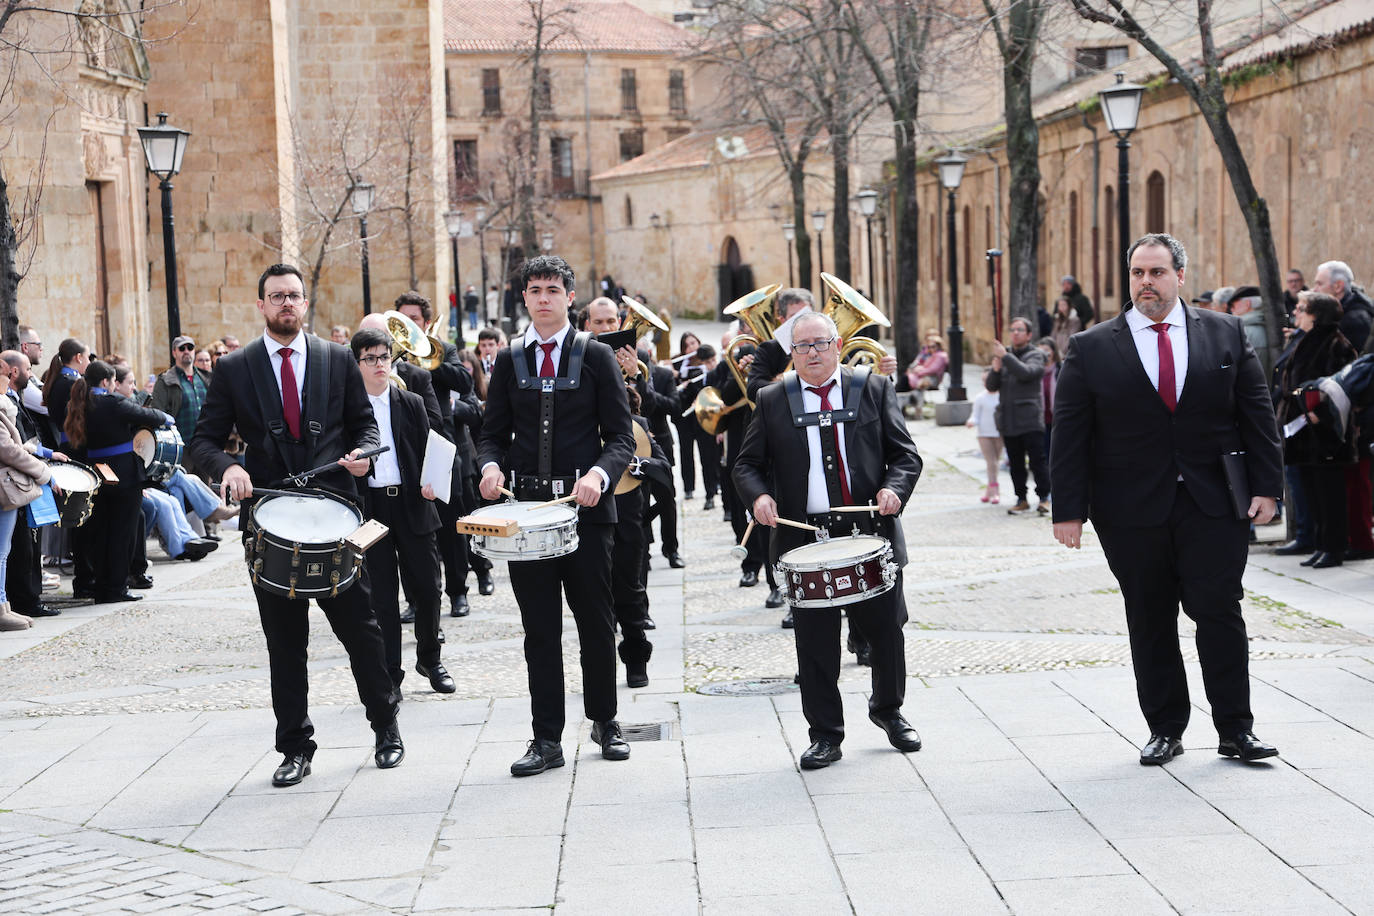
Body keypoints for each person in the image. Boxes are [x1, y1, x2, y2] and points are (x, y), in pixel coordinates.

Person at [1050, 232, 1284, 766]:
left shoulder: (1224, 332)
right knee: (1150, 617)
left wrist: (1268, 488)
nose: (1146, 283)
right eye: (1137, 273)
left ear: (1180, 276)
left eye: (1156, 272)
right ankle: (1165, 728)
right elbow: (1070, 434)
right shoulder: (1091, 347)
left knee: (1219, 610)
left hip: (1214, 502)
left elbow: (1256, 414)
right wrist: (1068, 509)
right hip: (1129, 508)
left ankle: (1235, 729)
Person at [188, 262, 402, 788]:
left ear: (306, 304)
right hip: (270, 521)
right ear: (260, 305)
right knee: (285, 644)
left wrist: (364, 455)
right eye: (276, 296)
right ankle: (295, 747)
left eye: (294, 296)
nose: (286, 304)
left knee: (363, 632)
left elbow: (366, 425)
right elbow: (203, 442)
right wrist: (229, 467)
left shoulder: (336, 358)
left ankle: (386, 726)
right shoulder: (235, 368)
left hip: (336, 514)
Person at [734, 310, 923, 769]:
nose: (812, 353)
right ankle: (825, 734)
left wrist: (892, 490)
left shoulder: (873, 388)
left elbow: (905, 455)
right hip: (805, 539)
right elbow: (746, 465)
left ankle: (889, 711)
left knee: (886, 631)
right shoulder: (773, 397)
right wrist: (759, 498)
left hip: (869, 532)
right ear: (792, 353)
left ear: (838, 345)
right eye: (802, 346)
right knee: (815, 642)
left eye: (820, 344)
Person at [477, 255, 635, 777]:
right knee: (539, 629)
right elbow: (491, 434)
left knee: (595, 621)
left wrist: (598, 475)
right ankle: (546, 738)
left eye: (553, 289)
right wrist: (491, 464)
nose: (543, 298)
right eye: (535, 290)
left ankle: (605, 720)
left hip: (586, 513)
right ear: (523, 298)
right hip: (527, 514)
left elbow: (620, 436)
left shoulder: (596, 356)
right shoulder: (509, 358)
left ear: (571, 298)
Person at [350, 327, 453, 694]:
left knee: (428, 588)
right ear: (357, 363)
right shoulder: (348, 408)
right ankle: (390, 674)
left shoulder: (409, 401)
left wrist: (431, 481)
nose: (379, 365)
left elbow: (431, 446)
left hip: (411, 502)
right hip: (371, 508)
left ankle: (430, 657)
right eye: (371, 358)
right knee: (381, 598)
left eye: (384, 357)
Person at [392, 290, 493, 613]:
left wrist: (426, 360)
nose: (411, 325)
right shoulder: (390, 354)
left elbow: (465, 382)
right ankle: (415, 601)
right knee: (409, 534)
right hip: (405, 453)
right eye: (404, 320)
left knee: (452, 529)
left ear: (425, 322)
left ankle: (457, 592)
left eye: (416, 320)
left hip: (444, 450)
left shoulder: (443, 350)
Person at [64, 361, 173, 602]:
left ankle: (102, 586)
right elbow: (151, 416)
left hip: (96, 472)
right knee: (123, 534)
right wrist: (167, 417)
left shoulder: (78, 403)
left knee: (101, 532)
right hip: (123, 474)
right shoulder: (113, 402)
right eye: (113, 381)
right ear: (106, 382)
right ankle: (115, 588)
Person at [1276, 292, 1358, 568]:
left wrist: (1318, 413)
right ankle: (1321, 544)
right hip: (1303, 432)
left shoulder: (1337, 344)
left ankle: (1334, 547)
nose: (1296, 313)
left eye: (1302, 309)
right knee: (1313, 492)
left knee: (1330, 494)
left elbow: (1343, 387)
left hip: (1325, 434)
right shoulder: (1303, 340)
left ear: (1316, 315)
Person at [0, 350, 64, 625]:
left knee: (6, 551)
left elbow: (16, 444)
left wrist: (47, 457)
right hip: (5, 485)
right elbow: (8, 450)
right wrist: (44, 473)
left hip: (9, 482)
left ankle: (4, 604)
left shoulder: (6, 405)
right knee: (2, 552)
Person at [986, 317, 1049, 516]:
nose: (1015, 333)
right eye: (1012, 329)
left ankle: (1044, 497)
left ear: (1029, 335)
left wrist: (1005, 358)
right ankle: (1021, 498)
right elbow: (991, 386)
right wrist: (995, 370)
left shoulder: (1036, 355)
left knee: (1038, 462)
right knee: (1015, 463)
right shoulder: (1004, 355)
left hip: (1030, 419)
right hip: (1008, 420)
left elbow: (1026, 373)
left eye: (1020, 330)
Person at [151, 335, 212, 456]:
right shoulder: (165, 380)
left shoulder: (206, 378)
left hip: (206, 445)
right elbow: (157, 412)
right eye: (181, 348)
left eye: (190, 348)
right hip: (181, 447)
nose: (186, 351)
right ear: (174, 353)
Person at [1313, 260, 1373, 352]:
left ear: (1338, 286)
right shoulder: (1335, 312)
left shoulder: (1355, 320)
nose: (1315, 290)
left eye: (1320, 284)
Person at [41, 338, 90, 448]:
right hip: (75, 443)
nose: (89, 362)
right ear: (78, 358)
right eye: (87, 357)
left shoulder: (57, 379)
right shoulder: (71, 383)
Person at [966, 370, 1001, 503]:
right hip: (984, 434)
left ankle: (989, 490)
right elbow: (975, 415)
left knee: (995, 462)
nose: (986, 383)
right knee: (991, 462)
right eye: (983, 380)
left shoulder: (1001, 396)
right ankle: (995, 490)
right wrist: (971, 422)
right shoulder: (980, 397)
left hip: (998, 433)